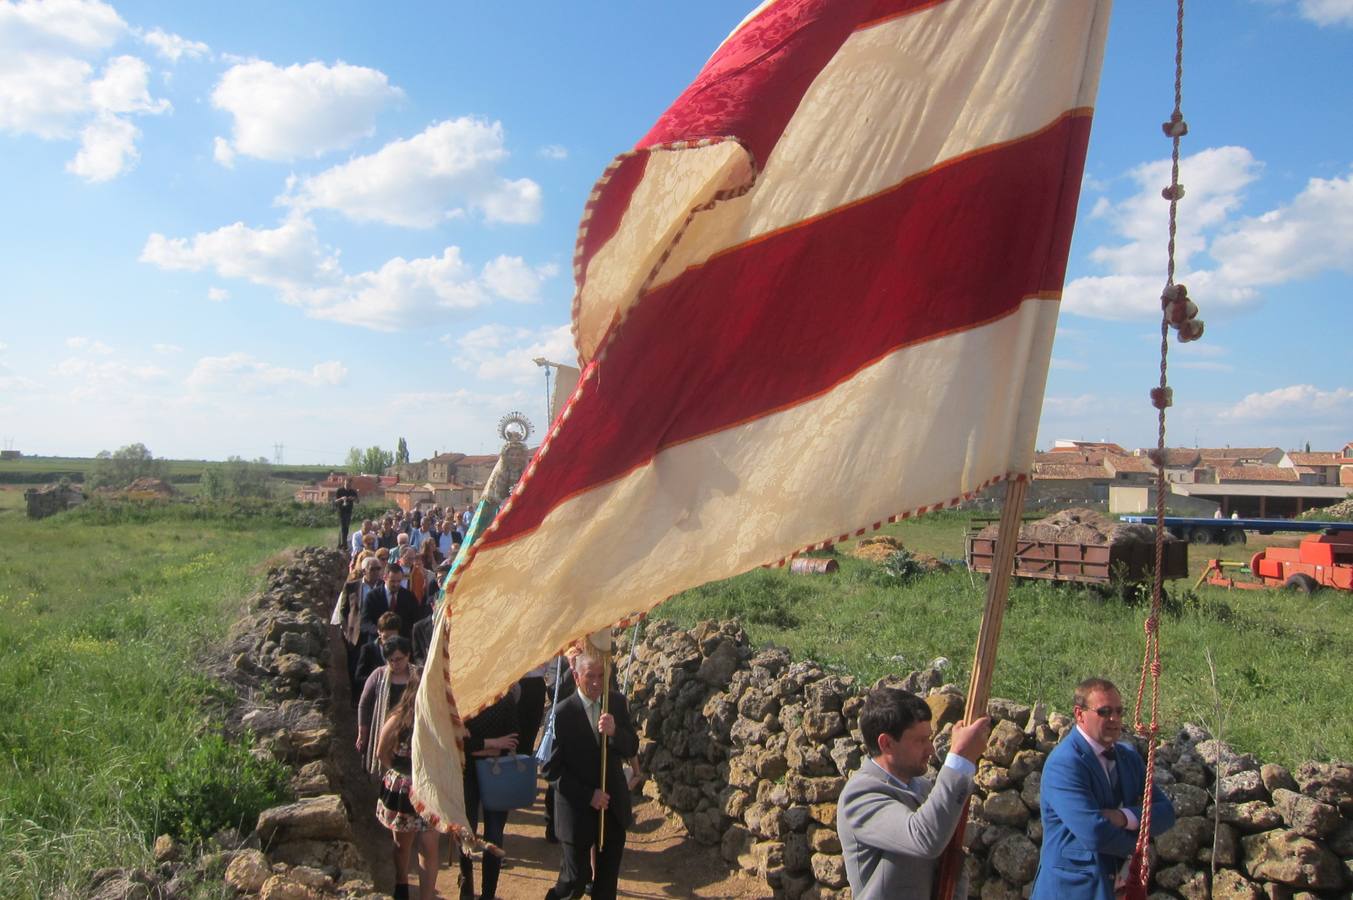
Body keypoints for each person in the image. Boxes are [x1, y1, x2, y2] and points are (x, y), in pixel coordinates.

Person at [836, 688, 991, 900]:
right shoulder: (860, 794)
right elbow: (924, 838)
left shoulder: (922, 787)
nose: (930, 749)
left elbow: (947, 861)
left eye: (929, 739)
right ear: (886, 743)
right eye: (920, 740)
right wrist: (960, 759)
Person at [1031, 677, 1176, 900]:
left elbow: (1165, 813)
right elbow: (1094, 833)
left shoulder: (1128, 757)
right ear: (1079, 714)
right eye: (1104, 711)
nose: (1114, 719)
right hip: (1071, 891)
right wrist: (1138, 851)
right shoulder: (1065, 763)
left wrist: (1124, 817)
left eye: (1119, 711)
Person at [542, 649, 639, 900]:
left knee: (606, 885)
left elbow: (632, 747)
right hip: (576, 810)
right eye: (589, 676)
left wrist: (616, 732)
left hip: (612, 807)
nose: (596, 683)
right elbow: (550, 769)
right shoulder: (562, 713)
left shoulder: (616, 703)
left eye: (601, 676)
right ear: (576, 677)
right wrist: (588, 795)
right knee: (575, 880)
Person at [375, 671, 439, 900]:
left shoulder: (439, 717)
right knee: (403, 844)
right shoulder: (399, 717)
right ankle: (402, 884)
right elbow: (381, 751)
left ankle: (426, 897)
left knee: (429, 844)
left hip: (429, 788)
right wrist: (402, 772)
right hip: (405, 787)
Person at [458, 685, 521, 900]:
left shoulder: (505, 700)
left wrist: (476, 747)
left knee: (493, 834)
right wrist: (493, 744)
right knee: (467, 831)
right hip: (479, 770)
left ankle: (484, 894)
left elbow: (512, 742)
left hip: (486, 770)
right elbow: (458, 742)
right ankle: (469, 888)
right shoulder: (467, 698)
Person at [358, 636, 420, 776]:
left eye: (399, 659)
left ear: (408, 655)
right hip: (384, 725)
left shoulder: (416, 676)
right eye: (391, 660)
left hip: (409, 729)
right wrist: (363, 731)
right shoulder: (379, 675)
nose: (395, 664)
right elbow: (364, 703)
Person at [335, 477, 360, 550]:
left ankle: (342, 544)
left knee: (346, 527)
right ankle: (343, 545)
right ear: (344, 483)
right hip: (341, 511)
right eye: (346, 484)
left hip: (349, 511)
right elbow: (335, 501)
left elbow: (358, 501)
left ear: (351, 484)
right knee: (343, 527)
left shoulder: (353, 491)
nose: (347, 486)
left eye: (349, 485)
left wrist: (353, 499)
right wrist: (341, 499)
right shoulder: (340, 491)